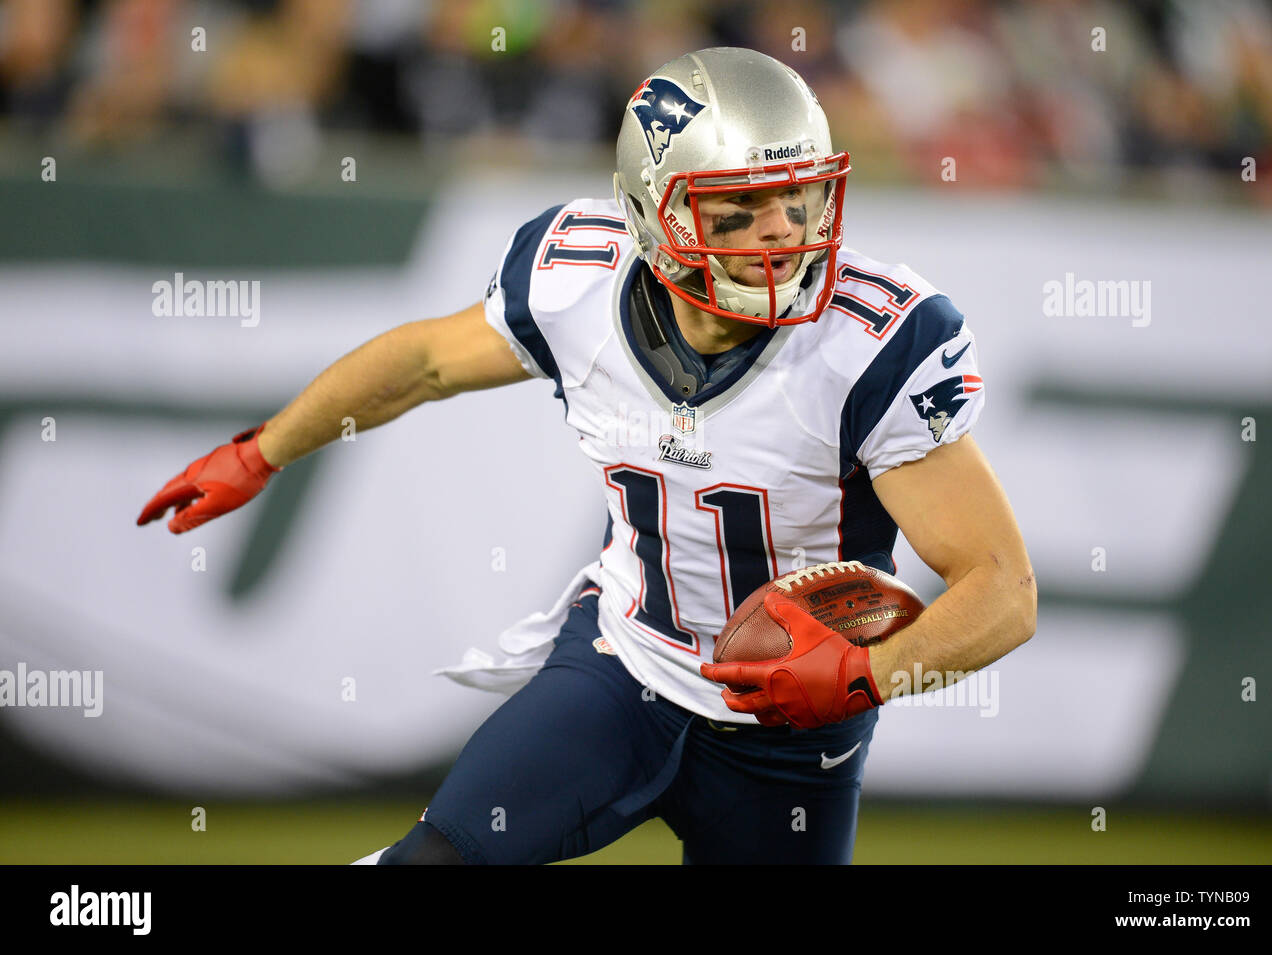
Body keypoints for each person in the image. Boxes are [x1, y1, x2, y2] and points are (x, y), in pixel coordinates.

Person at [136, 48, 1036, 865]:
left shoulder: (870, 344)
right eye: (740, 208)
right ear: (656, 213)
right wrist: (263, 451)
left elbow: (1003, 588)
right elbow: (422, 362)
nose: (779, 232)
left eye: (795, 198)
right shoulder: (577, 283)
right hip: (625, 667)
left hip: (791, 729)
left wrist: (863, 675)